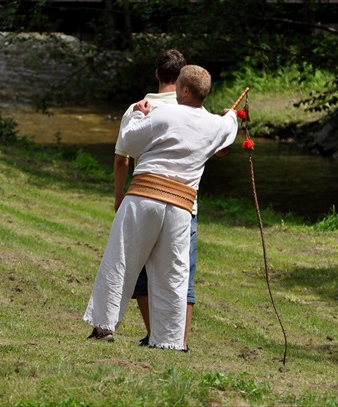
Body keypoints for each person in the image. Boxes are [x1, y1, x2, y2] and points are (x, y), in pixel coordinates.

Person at [84, 65, 238, 350]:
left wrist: (138, 115)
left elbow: (129, 142)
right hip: (181, 207)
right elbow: (230, 127)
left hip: (144, 197)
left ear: (185, 90)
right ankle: (169, 340)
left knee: (122, 259)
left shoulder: (164, 113)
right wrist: (231, 115)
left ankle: (104, 326)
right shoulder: (216, 124)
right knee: (173, 273)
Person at [112, 49, 197, 351]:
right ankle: (180, 341)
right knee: (182, 273)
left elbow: (123, 158)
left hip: (145, 197)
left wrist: (119, 196)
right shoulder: (194, 109)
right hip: (184, 202)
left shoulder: (140, 107)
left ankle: (155, 335)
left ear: (156, 73)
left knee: (140, 272)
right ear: (184, 75)